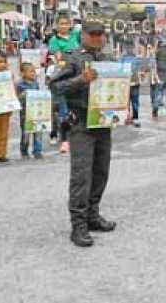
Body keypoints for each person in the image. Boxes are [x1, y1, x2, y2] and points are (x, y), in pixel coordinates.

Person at [49, 18, 117, 247]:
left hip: (103, 121)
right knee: (81, 175)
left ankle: (92, 215)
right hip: (81, 123)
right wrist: (81, 79)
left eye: (101, 34)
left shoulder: (108, 58)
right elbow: (54, 86)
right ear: (84, 35)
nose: (97, 38)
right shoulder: (73, 57)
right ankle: (78, 225)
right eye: (93, 34)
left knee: (101, 171)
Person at [48, 15, 80, 154]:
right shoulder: (54, 40)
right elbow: (59, 58)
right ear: (57, 25)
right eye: (61, 23)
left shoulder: (75, 36)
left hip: (77, 76)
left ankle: (75, 136)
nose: (64, 26)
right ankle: (64, 139)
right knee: (63, 110)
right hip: (62, 77)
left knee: (76, 107)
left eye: (67, 23)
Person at [16, 62, 43, 160]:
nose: (33, 73)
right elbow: (18, 98)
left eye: (34, 71)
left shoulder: (36, 83)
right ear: (23, 73)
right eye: (31, 71)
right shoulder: (19, 84)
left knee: (38, 131)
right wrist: (25, 94)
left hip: (36, 111)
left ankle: (37, 151)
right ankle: (24, 150)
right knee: (26, 133)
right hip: (25, 113)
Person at [118, 41, 141, 128]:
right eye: (128, 47)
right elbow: (119, 69)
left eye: (131, 47)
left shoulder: (136, 58)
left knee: (135, 101)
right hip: (125, 84)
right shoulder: (122, 58)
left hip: (135, 83)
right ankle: (126, 117)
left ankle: (135, 118)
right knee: (125, 102)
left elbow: (140, 69)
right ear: (125, 48)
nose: (130, 49)